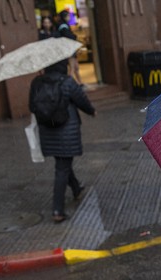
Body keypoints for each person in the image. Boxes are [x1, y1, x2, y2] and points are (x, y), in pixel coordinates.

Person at [29, 59, 96, 223]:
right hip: (66, 129)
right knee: (62, 167)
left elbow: (31, 106)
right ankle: (57, 210)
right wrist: (91, 111)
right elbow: (81, 99)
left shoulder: (37, 82)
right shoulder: (66, 82)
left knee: (62, 161)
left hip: (47, 130)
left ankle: (76, 188)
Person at [55, 10, 83, 85]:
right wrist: (74, 36)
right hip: (68, 49)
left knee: (75, 67)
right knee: (72, 68)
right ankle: (69, 84)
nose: (69, 18)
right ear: (65, 17)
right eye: (68, 16)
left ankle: (80, 83)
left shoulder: (63, 25)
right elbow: (68, 36)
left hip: (70, 49)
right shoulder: (63, 26)